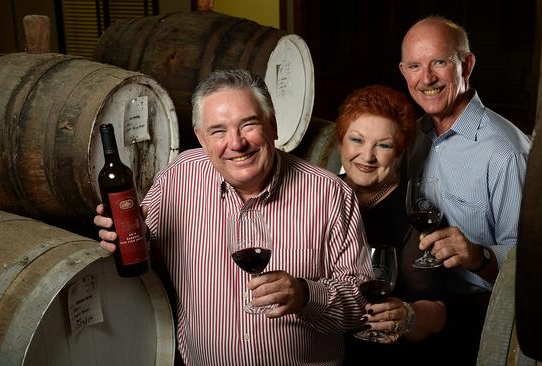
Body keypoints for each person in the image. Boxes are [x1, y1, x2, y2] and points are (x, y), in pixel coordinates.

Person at [94, 69, 372, 365]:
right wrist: (124, 236)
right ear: (201, 138)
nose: (236, 143)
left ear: (273, 125)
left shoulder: (329, 194)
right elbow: (145, 247)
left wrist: (306, 294)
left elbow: (363, 302)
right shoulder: (178, 178)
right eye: (218, 131)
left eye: (248, 125)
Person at [398, 16, 531, 364]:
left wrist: (480, 256)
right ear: (403, 72)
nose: (426, 78)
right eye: (415, 65)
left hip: (476, 320)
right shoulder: (410, 137)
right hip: (416, 304)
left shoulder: (505, 151)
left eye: (439, 62)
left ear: (466, 64)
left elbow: (530, 266)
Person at [334, 85, 446, 364]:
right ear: (340, 143)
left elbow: (437, 313)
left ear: (399, 154)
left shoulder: (412, 215)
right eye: (357, 140)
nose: (367, 156)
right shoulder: (323, 194)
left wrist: (407, 315)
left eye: (383, 145)